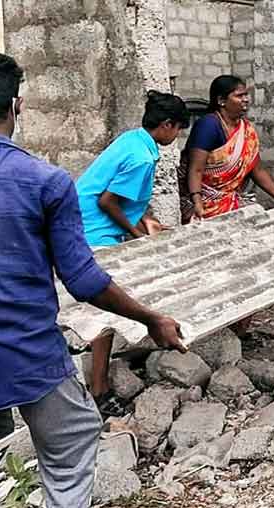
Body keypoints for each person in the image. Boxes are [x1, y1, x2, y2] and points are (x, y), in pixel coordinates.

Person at [0, 47, 187, 508]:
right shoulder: (44, 181)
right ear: (18, 105)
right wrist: (149, 317)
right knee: (71, 456)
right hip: (30, 355)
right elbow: (84, 280)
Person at [76, 90, 190, 409]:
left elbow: (129, 199)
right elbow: (108, 202)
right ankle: (99, 388)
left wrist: (146, 223)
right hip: (94, 230)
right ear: (167, 125)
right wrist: (135, 233)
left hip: (84, 222)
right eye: (178, 129)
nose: (177, 136)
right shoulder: (141, 157)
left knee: (105, 305)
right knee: (106, 309)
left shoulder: (134, 141)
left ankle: (99, 377)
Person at [178, 74, 274, 223]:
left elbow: (258, 171)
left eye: (246, 94)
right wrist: (197, 202)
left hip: (228, 202)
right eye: (239, 96)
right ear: (221, 101)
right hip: (200, 202)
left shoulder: (246, 130)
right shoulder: (208, 125)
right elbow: (195, 169)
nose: (246, 99)